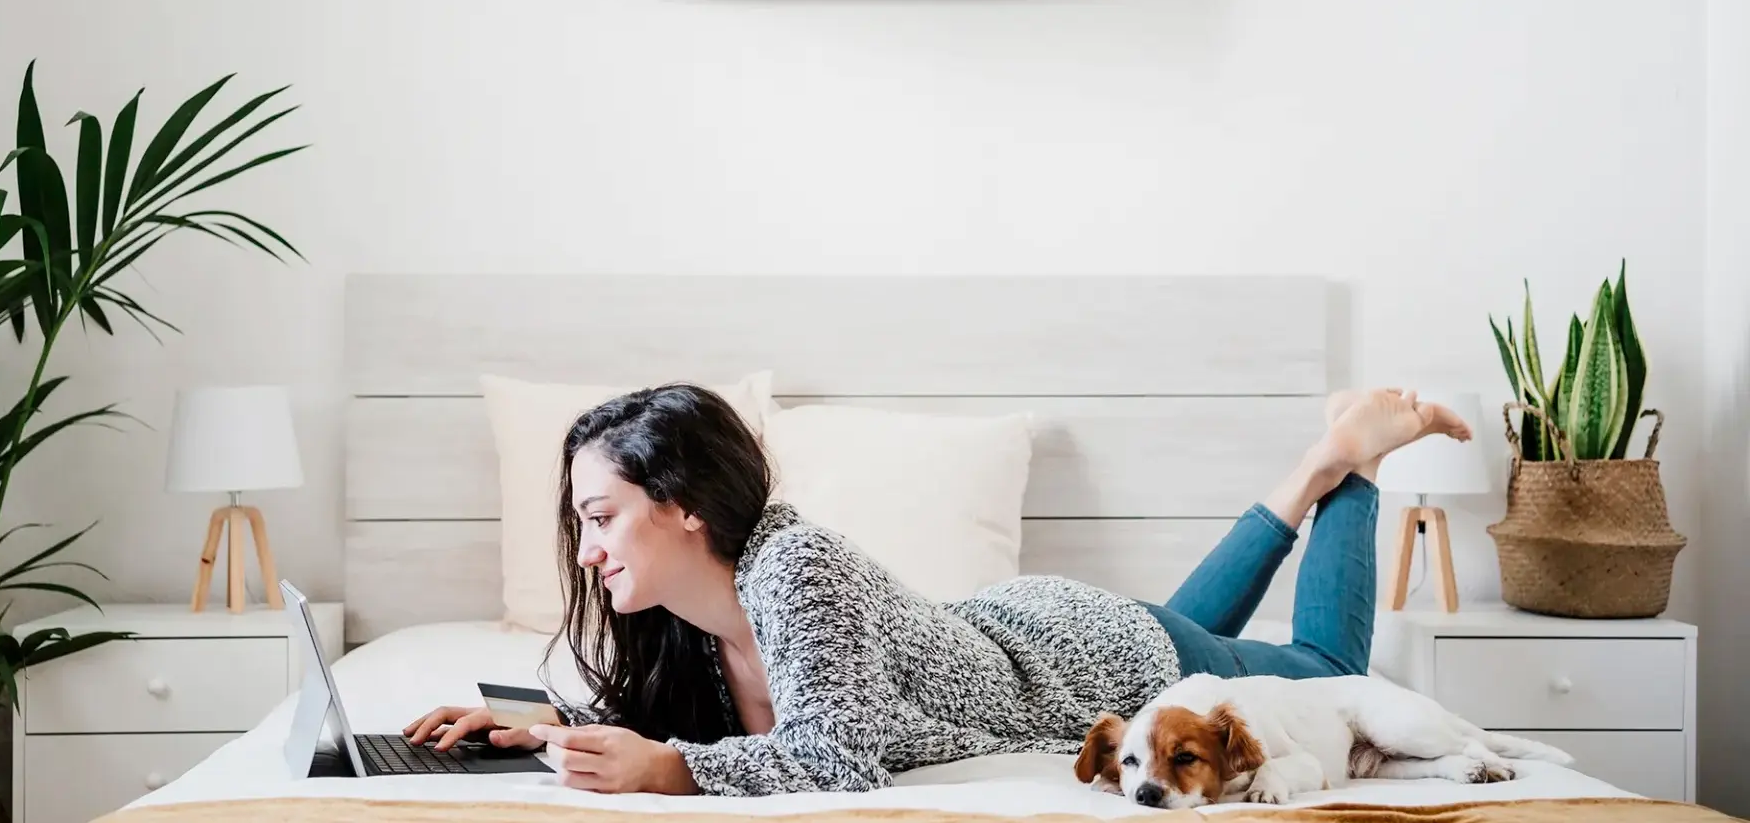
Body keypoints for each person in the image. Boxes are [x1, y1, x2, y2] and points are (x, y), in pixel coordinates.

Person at [403, 385, 1471, 797]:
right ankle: (1306, 475)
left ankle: (1357, 466)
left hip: (1086, 655)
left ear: (684, 504)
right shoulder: (692, 620)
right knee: (1194, 630)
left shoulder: (793, 566)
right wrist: (536, 725)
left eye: (600, 519)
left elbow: (836, 757)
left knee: (1324, 676)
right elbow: (678, 725)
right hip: (1031, 627)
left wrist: (671, 774)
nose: (586, 555)